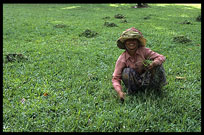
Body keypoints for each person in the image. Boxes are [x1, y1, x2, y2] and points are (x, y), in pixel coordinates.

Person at [112, 27, 167, 102]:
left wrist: (154, 63)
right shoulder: (122, 59)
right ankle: (134, 92)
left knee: (158, 65)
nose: (131, 42)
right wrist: (119, 92)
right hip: (134, 84)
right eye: (128, 40)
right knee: (126, 71)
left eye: (134, 39)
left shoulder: (143, 51)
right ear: (125, 43)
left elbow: (161, 57)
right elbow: (115, 78)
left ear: (138, 42)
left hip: (147, 80)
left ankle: (155, 89)